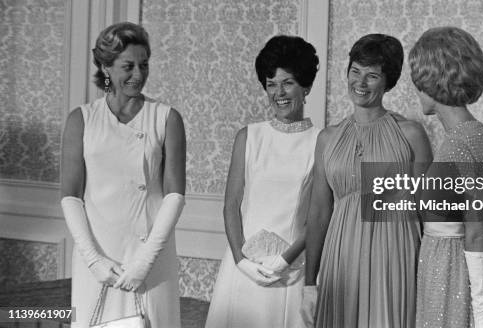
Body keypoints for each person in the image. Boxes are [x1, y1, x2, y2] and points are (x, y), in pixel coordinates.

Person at [302, 34, 433, 328]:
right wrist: (310, 282)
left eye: (372, 75)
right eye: (355, 71)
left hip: (395, 253)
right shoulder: (328, 138)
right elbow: (319, 211)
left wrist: (431, 275)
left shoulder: (411, 134)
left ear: (388, 81)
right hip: (342, 255)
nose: (360, 83)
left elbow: (430, 211)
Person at [60, 22, 185, 328]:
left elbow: (175, 195)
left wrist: (145, 261)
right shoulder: (82, 119)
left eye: (144, 65)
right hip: (99, 254)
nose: (138, 75)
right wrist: (93, 259)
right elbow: (70, 196)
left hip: (151, 255)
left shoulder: (166, 117)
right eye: (128, 66)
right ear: (106, 68)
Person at [206, 35, 320, 328]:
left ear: (306, 86)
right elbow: (231, 205)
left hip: (291, 270)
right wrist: (241, 261)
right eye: (271, 84)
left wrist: (283, 261)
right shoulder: (249, 136)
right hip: (242, 268)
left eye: (288, 83)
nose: (278, 93)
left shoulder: (321, 142)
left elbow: (320, 216)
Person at [408, 26, 483, 328]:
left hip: (448, 273)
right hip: (441, 268)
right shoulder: (473, 133)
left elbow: (476, 230)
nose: (416, 89)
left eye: (418, 81)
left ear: (434, 80)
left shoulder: (459, 145)